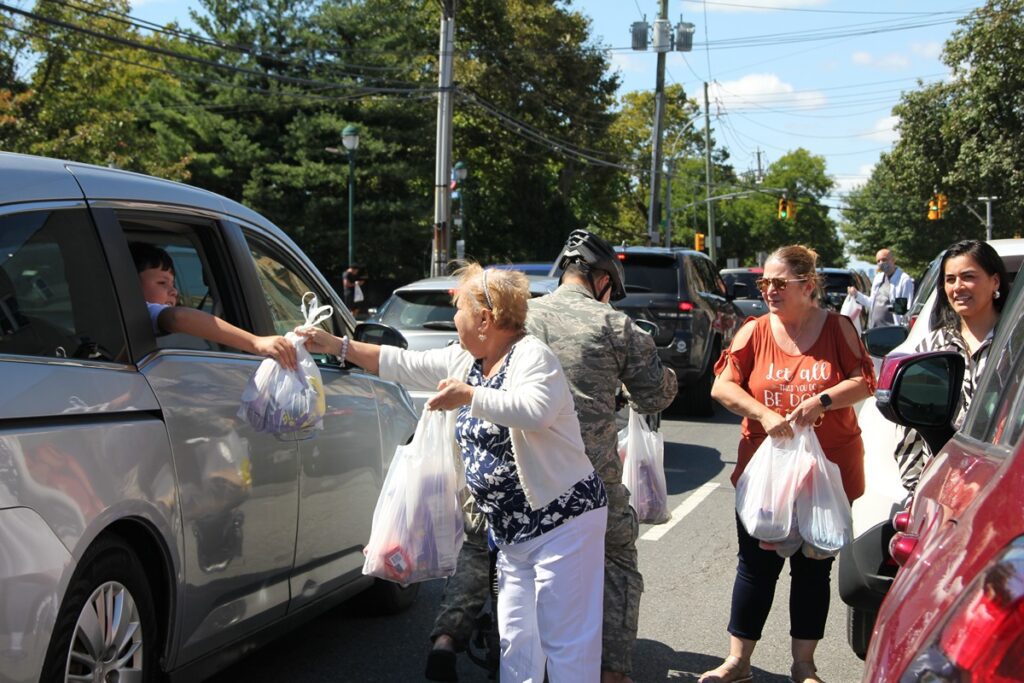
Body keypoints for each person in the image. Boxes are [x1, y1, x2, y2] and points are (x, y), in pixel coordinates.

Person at [297, 263, 608, 682]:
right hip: (514, 532)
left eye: (459, 308)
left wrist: (470, 396)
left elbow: (535, 411)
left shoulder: (534, 356)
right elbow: (400, 362)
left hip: (564, 524)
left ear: (486, 317)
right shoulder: (467, 358)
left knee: (565, 642)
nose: (453, 317)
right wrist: (335, 344)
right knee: (517, 638)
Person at [425, 230, 679, 683]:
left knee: (480, 539)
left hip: (499, 469)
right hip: (579, 482)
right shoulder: (615, 324)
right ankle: (612, 671)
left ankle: (448, 636)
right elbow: (656, 396)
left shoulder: (517, 316)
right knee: (618, 555)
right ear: (603, 280)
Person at [703, 245, 875, 683]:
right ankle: (737, 662)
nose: (770, 291)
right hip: (767, 475)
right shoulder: (755, 330)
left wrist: (822, 401)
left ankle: (804, 666)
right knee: (755, 567)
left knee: (813, 569)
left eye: (780, 283)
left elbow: (863, 382)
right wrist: (763, 413)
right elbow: (723, 386)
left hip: (827, 473)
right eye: (765, 284)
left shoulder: (838, 329)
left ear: (809, 285)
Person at [894, 239, 1008, 492]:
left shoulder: (1015, 343)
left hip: (1007, 481)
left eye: (968, 277)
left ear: (995, 282)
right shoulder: (932, 346)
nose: (958, 287)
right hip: (945, 482)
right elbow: (911, 422)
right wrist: (916, 487)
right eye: (950, 279)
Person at [130, 242, 297, 370]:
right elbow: (178, 317)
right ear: (129, 283)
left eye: (173, 284)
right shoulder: (145, 311)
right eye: (162, 282)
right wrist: (256, 342)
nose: (174, 291)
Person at [847, 248, 914, 329]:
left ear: (893, 260)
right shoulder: (878, 278)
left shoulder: (903, 280)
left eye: (884, 259)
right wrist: (857, 295)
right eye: (878, 261)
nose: (881, 263)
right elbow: (872, 303)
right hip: (875, 329)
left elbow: (902, 311)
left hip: (893, 331)